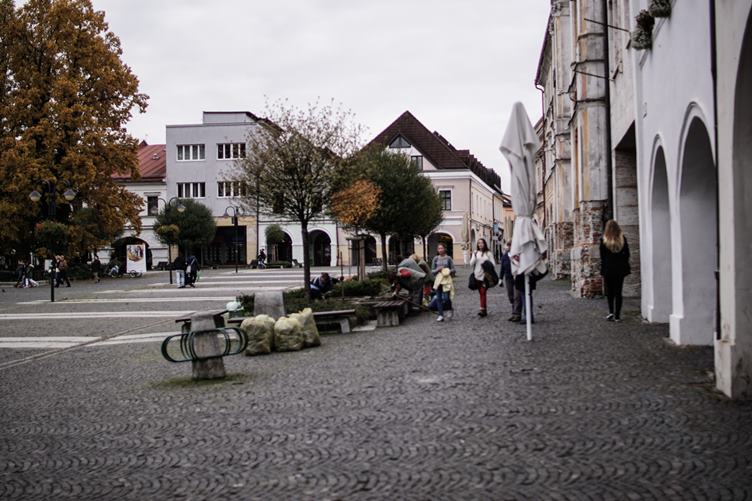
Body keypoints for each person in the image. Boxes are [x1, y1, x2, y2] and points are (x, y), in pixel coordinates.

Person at [600, 219, 631, 322]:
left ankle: (611, 312)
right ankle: (617, 315)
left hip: (608, 269)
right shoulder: (622, 239)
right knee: (618, 292)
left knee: (610, 292)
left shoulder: (603, 240)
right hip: (620, 269)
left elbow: (602, 257)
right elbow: (627, 254)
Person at [469, 238, 495, 317]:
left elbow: (493, 264)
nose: (480, 244)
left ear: (484, 244)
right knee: (481, 292)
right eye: (479, 243)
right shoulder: (476, 252)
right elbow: (471, 263)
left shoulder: (488, 253)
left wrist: (487, 264)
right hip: (477, 275)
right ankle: (484, 309)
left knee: (483, 292)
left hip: (485, 275)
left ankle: (482, 309)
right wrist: (475, 256)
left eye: (482, 243)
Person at [431, 243, 456, 322]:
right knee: (439, 298)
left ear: (445, 249)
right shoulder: (435, 259)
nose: (440, 250)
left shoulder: (448, 258)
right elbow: (432, 271)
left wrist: (447, 271)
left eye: (442, 248)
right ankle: (440, 315)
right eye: (439, 248)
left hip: (446, 280)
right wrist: (437, 270)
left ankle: (449, 309)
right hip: (438, 280)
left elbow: (453, 269)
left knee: (446, 298)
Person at [500, 242, 515, 317]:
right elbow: (502, 268)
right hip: (508, 277)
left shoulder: (516, 255)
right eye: (508, 246)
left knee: (517, 296)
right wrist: (500, 279)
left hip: (517, 277)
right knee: (510, 295)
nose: (509, 247)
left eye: (511, 245)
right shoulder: (504, 256)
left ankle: (515, 312)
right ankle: (514, 307)